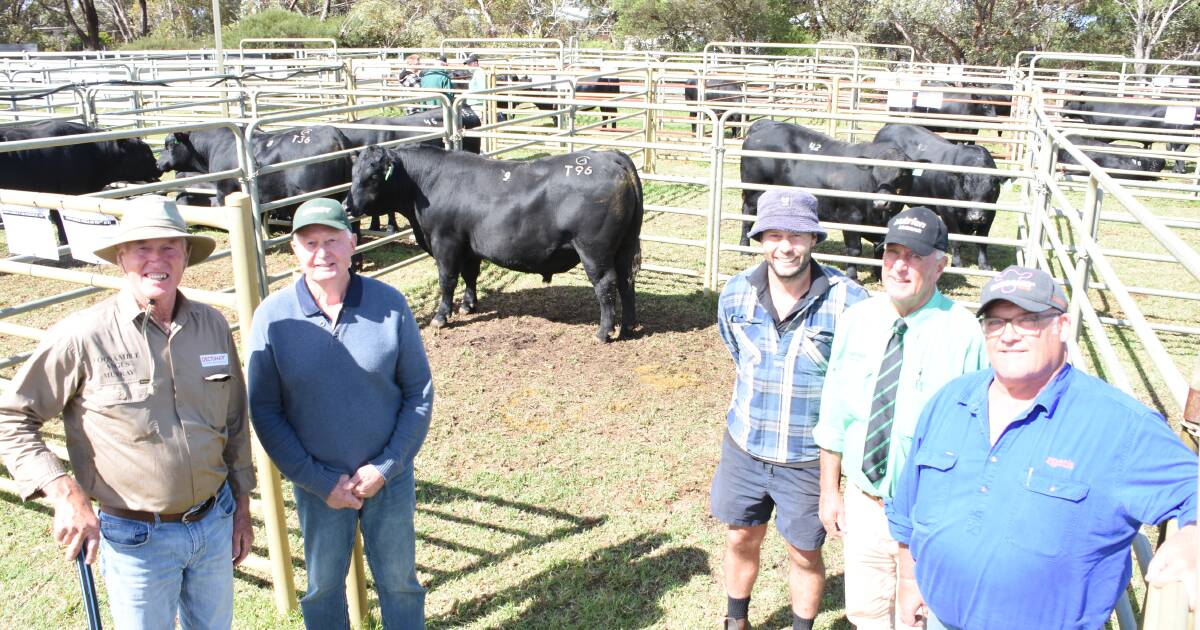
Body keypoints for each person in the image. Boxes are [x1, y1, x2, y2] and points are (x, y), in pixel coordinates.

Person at [887, 265, 1199, 630]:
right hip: (941, 619)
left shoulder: (1120, 426)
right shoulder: (950, 400)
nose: (1009, 335)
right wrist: (909, 582)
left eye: (1028, 320)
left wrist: (1193, 537)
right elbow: (908, 507)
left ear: (1063, 327)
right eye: (996, 322)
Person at [0, 196, 256, 629]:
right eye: (142, 248)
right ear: (121, 258)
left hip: (214, 522)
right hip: (137, 538)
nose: (157, 260)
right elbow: (11, 417)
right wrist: (63, 491)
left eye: (169, 247)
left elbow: (233, 419)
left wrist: (242, 504)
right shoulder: (84, 336)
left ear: (185, 257)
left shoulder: (212, 326)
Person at [247, 198, 433, 629]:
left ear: (352, 242)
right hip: (319, 483)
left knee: (400, 582)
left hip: (388, 477)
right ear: (294, 250)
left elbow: (418, 393)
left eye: (332, 239)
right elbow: (266, 409)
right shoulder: (273, 318)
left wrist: (386, 466)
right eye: (309, 242)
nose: (321, 253)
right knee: (322, 587)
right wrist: (317, 479)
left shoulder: (390, 305)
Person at [813, 207, 987, 630]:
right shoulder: (857, 321)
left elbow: (982, 433)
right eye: (892, 253)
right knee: (867, 611)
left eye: (914, 256)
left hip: (933, 510)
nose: (899, 266)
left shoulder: (966, 334)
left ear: (941, 265)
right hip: (865, 499)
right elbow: (835, 411)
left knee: (923, 617)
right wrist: (829, 492)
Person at [713, 189, 869, 630]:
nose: (786, 246)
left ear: (815, 239)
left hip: (808, 457)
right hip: (746, 444)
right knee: (741, 535)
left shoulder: (849, 301)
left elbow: (860, 380)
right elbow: (738, 356)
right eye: (774, 234)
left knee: (804, 551)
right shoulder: (735, 293)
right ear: (760, 238)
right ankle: (736, 620)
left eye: (797, 234)